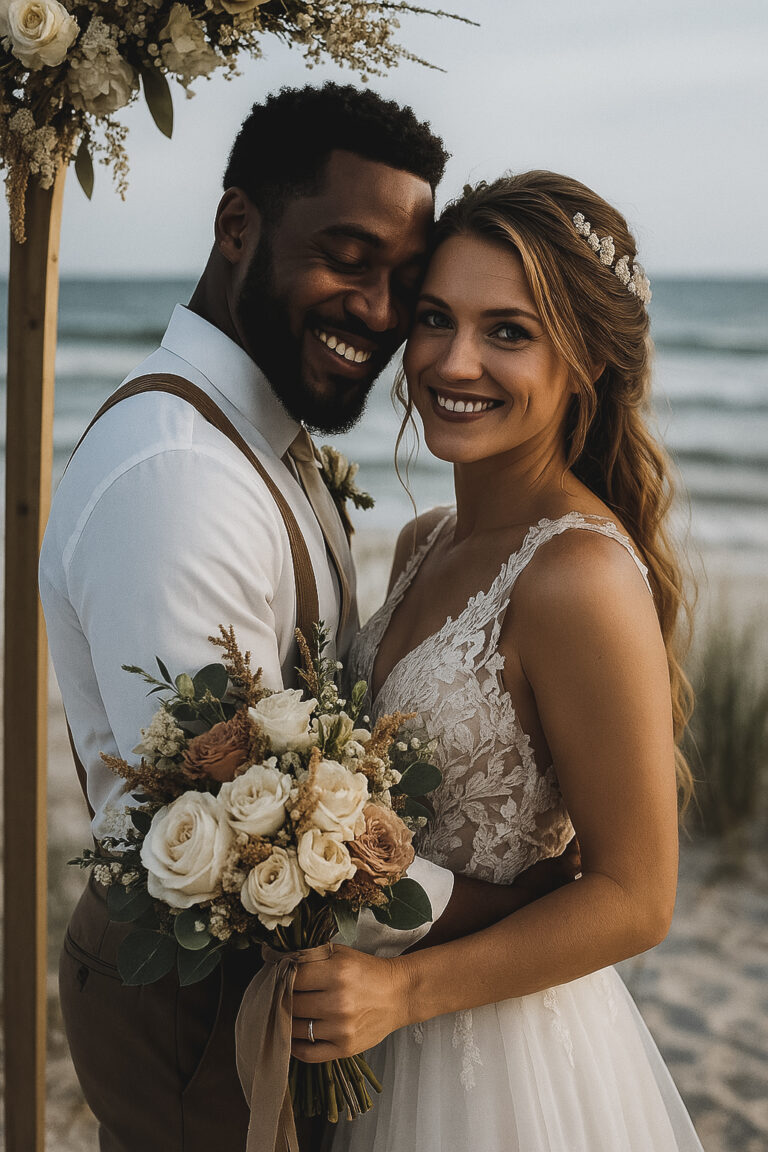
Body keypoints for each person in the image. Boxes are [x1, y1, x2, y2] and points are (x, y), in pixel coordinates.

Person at [40, 90, 575, 1152]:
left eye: (403, 280)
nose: (379, 311)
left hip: (281, 1006)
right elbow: (248, 836)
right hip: (201, 1021)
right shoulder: (180, 479)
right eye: (346, 257)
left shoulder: (258, 431)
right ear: (238, 228)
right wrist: (515, 901)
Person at [289, 172, 706, 1151]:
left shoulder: (577, 578)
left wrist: (402, 990)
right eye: (436, 318)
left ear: (585, 362)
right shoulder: (425, 540)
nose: (454, 360)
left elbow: (636, 898)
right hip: (375, 1030)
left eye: (507, 331)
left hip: (497, 1056)